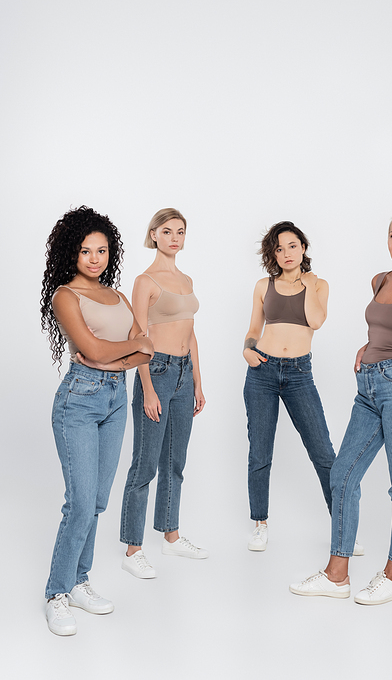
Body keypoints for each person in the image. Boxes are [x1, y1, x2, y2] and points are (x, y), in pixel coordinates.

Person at [289, 213, 392, 604]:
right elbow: (385, 328)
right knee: (342, 475)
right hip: (368, 387)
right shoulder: (381, 280)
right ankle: (337, 575)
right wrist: (368, 348)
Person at [41, 206, 154, 636]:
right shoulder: (65, 296)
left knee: (99, 501)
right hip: (80, 401)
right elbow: (92, 348)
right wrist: (127, 350)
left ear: (111, 252)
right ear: (72, 253)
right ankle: (56, 592)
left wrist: (120, 352)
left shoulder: (121, 296)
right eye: (85, 251)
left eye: (102, 250)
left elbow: (138, 350)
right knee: (81, 502)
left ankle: (79, 579)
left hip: (113, 400)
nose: (94, 258)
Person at [243, 221, 363, 554]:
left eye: (292, 246)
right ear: (273, 254)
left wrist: (308, 285)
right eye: (279, 248)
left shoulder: (319, 285)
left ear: (303, 248)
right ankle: (260, 524)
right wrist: (248, 349)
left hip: (298, 374)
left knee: (323, 453)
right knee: (260, 451)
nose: (286, 253)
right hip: (262, 371)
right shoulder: (262, 286)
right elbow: (254, 328)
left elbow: (316, 321)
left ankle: (343, 527)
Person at [120, 208, 207, 579]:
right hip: (155, 371)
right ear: (154, 235)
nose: (175, 237)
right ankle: (133, 547)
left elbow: (190, 332)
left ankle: (170, 535)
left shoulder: (186, 279)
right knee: (146, 462)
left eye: (181, 231)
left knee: (175, 460)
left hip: (185, 373)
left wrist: (199, 382)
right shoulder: (145, 280)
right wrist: (149, 389)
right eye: (167, 231)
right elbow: (137, 337)